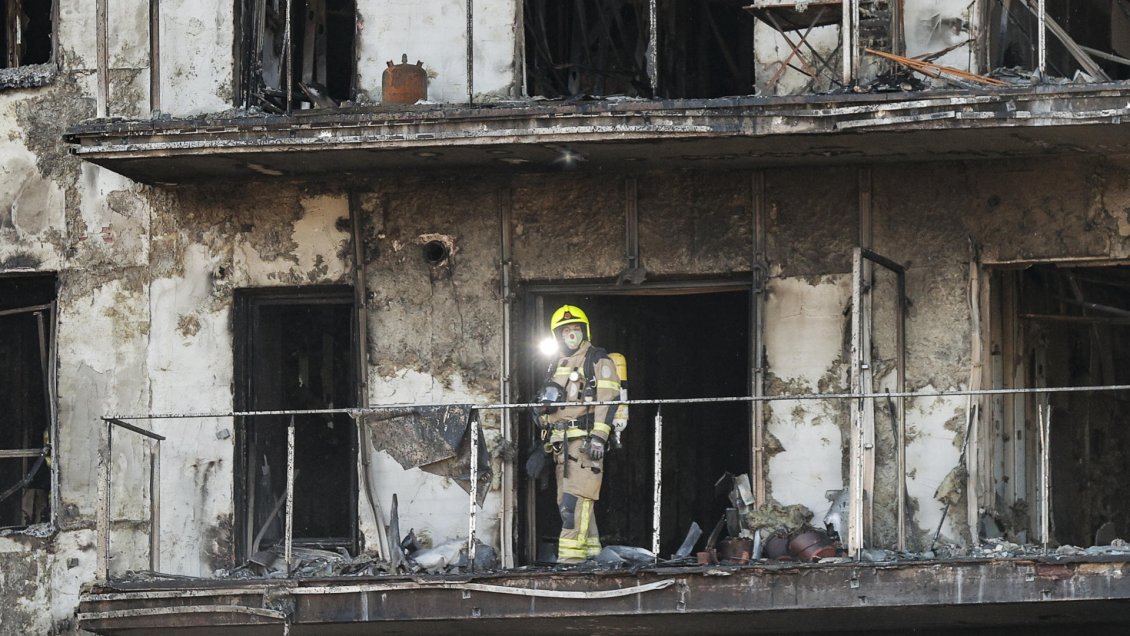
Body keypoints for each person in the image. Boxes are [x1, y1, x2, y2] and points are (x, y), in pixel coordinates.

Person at [538, 305, 624, 564]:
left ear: (585, 330)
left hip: (585, 445)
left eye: (576, 328)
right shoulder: (555, 364)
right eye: (565, 330)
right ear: (557, 335)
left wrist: (598, 437)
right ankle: (592, 554)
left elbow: (608, 399)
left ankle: (570, 561)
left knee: (573, 503)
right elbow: (550, 406)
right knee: (571, 502)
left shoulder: (597, 359)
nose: (571, 334)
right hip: (561, 447)